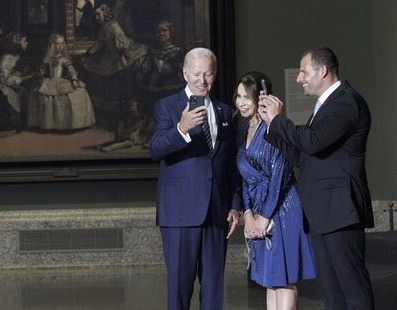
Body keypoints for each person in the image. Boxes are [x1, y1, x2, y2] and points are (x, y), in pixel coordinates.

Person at [259, 47, 374, 310]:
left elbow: (312, 142)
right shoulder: (326, 105)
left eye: (303, 71)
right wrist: (271, 125)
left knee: (353, 291)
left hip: (340, 211)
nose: (299, 78)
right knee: (332, 295)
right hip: (323, 213)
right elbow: (303, 158)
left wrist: (279, 120)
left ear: (322, 71)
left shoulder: (346, 102)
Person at [149, 47, 241, 310]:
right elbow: (155, 149)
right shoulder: (167, 106)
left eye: (208, 74)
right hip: (179, 215)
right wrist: (182, 129)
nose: (202, 80)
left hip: (216, 214)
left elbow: (230, 165)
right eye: (197, 73)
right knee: (179, 290)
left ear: (215, 75)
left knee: (213, 293)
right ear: (185, 73)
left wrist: (235, 204)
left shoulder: (224, 112)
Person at [234, 71, 316, 310]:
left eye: (247, 97)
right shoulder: (242, 133)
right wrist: (248, 215)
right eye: (238, 96)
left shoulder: (274, 128)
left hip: (283, 207)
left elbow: (279, 176)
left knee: (283, 279)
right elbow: (245, 179)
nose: (241, 102)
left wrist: (264, 217)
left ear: (262, 98)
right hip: (259, 210)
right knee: (269, 280)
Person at [28, 33, 95, 130]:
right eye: (57, 44)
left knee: (77, 93)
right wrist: (39, 74)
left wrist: (74, 79)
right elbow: (43, 69)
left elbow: (71, 70)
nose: (60, 46)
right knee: (40, 93)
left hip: (61, 82)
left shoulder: (64, 59)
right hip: (50, 81)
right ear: (52, 45)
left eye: (61, 43)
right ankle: (49, 124)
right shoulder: (47, 59)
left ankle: (66, 124)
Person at [0, 32, 31, 137]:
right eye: (24, 41)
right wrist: (23, 77)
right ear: (17, 43)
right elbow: (4, 79)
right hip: (0, 86)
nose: (27, 43)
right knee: (19, 93)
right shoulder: (7, 57)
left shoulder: (13, 55)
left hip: (5, 82)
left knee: (23, 91)